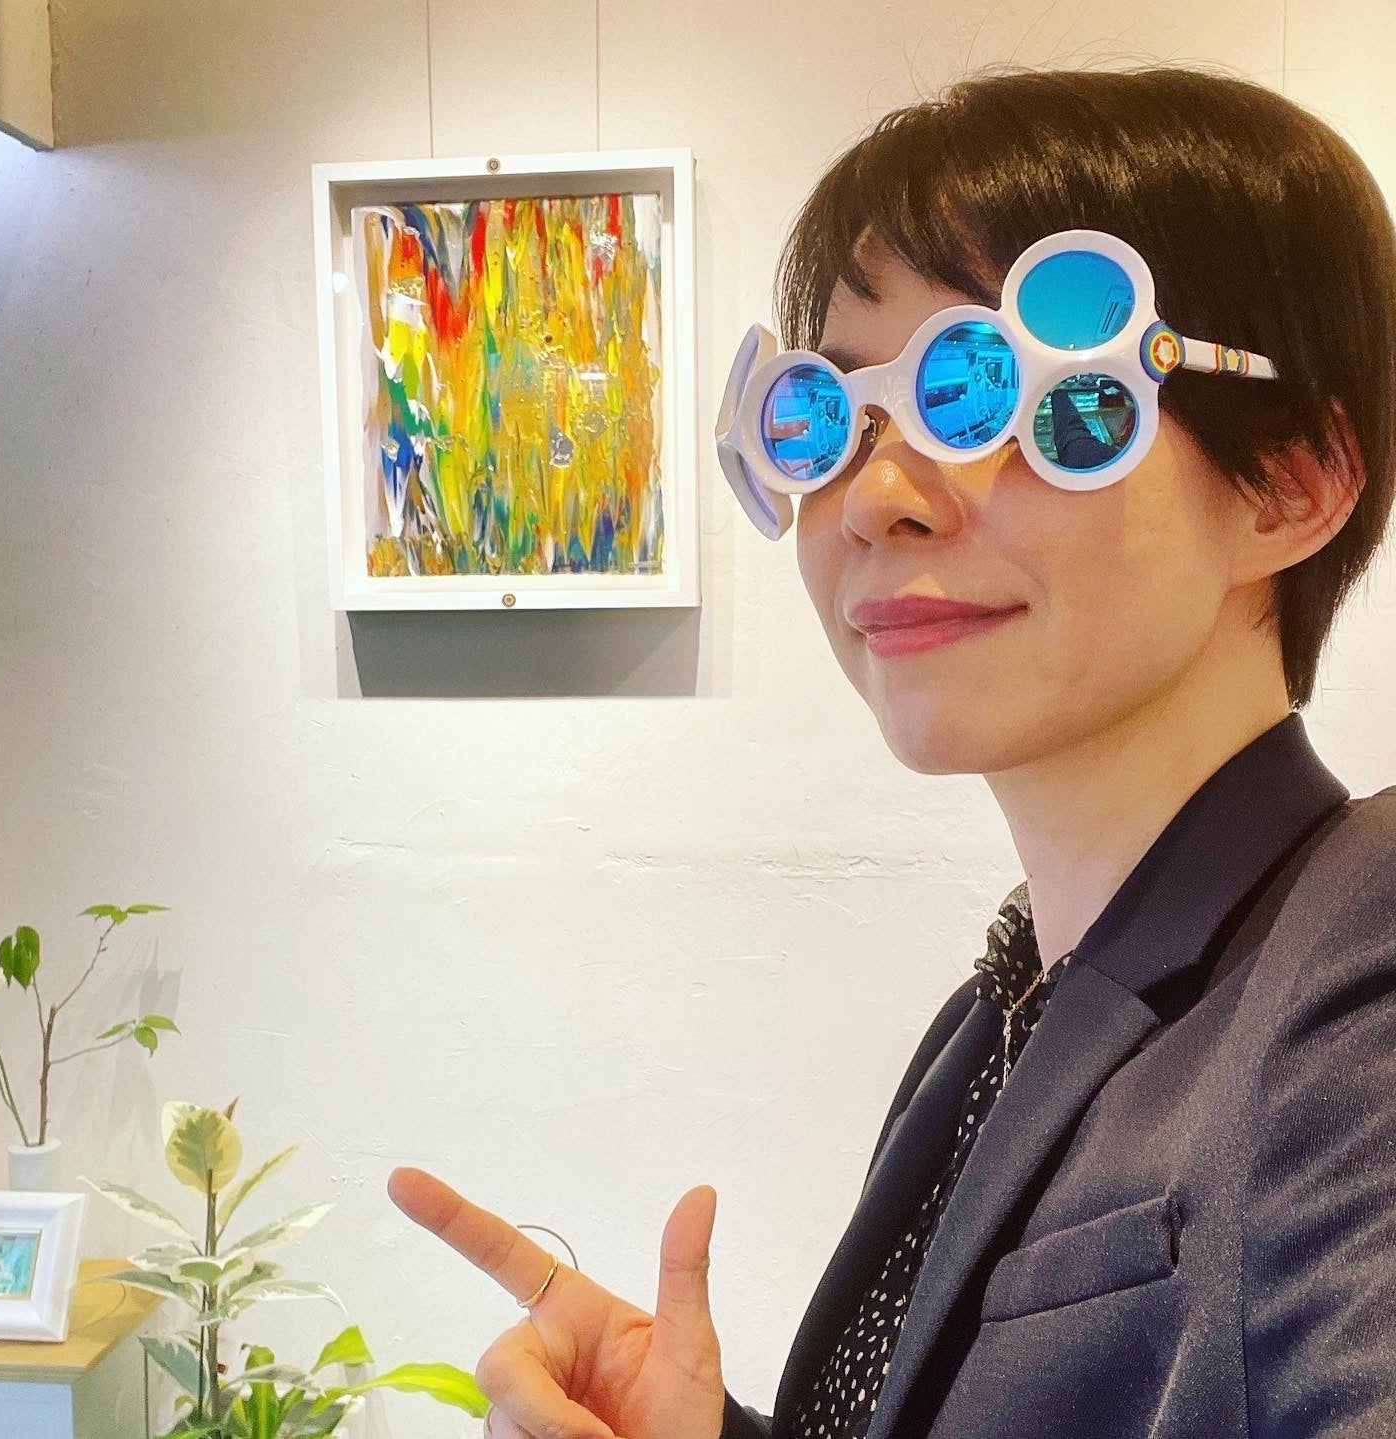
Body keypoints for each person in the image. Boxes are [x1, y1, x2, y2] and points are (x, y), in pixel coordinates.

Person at [384, 62, 1396, 1439]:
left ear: (1289, 484)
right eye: (833, 416)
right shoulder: (998, 1012)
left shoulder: (1359, 977)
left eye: (993, 388)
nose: (876, 498)